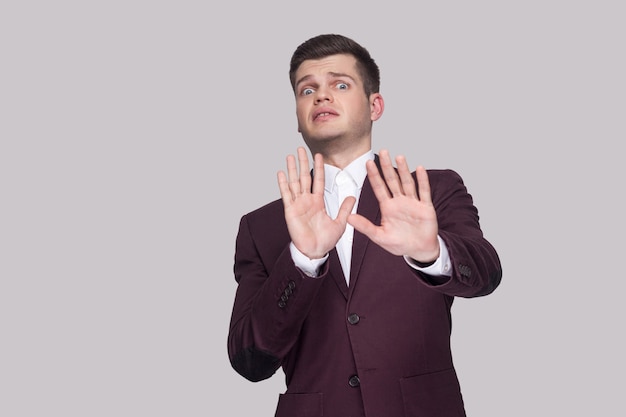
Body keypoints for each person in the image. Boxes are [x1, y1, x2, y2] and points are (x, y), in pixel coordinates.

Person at [227, 33, 502, 417]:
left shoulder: (432, 190)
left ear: (375, 105)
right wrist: (303, 260)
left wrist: (431, 253)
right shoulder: (261, 226)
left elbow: (486, 275)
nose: (322, 96)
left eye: (340, 84)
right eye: (307, 90)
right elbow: (250, 361)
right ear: (297, 116)